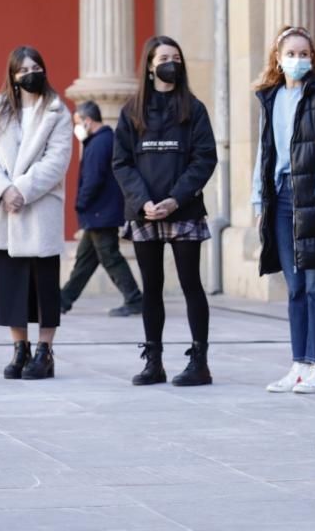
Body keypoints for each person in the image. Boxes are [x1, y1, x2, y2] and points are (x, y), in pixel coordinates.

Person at [114, 35, 218, 387]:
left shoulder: (194, 108)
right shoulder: (131, 111)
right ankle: (153, 361)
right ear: (149, 65)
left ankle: (200, 362)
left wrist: (175, 199)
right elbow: (122, 162)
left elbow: (205, 158)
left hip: (184, 210)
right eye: (163, 57)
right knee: (152, 287)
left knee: (191, 284)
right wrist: (143, 201)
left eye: (176, 56)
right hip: (143, 213)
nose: (171, 62)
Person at [252, 26, 315, 395]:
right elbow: (266, 153)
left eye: (304, 54)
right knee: (293, 287)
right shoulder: (271, 98)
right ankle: (299, 363)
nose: (297, 60)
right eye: (290, 54)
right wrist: (259, 200)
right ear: (277, 58)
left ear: (313, 58)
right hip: (281, 197)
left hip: (314, 199)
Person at [0, 46, 72, 380]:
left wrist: (23, 190)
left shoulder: (57, 111)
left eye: (37, 67)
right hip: (4, 209)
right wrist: (4, 190)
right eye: (24, 69)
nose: (31, 73)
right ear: (13, 77)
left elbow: (57, 160)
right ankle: (20, 348)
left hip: (39, 206)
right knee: (10, 282)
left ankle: (45, 351)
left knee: (44, 283)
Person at [59, 100, 143, 316]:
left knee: (110, 256)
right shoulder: (104, 140)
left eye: (77, 122)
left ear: (88, 121)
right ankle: (62, 301)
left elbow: (92, 179)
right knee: (85, 259)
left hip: (99, 212)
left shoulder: (99, 143)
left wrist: (81, 203)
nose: (75, 128)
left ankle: (134, 299)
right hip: (101, 212)